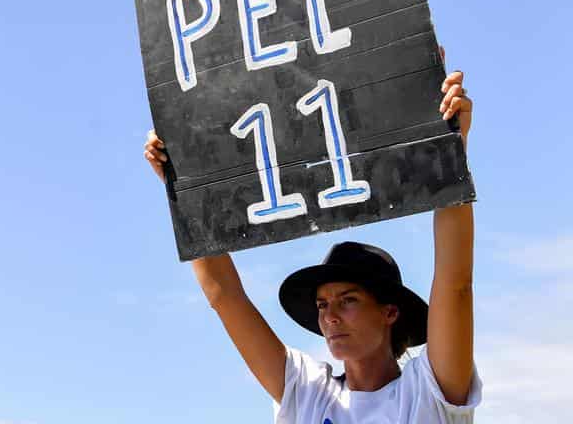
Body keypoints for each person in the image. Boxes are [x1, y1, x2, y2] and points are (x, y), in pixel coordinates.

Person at [143, 66, 480, 423]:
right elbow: (224, 296)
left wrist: (451, 151)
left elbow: (456, 283)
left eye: (348, 300)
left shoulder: (428, 390)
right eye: (322, 304)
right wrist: (181, 186)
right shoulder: (307, 392)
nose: (330, 317)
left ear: (390, 313)